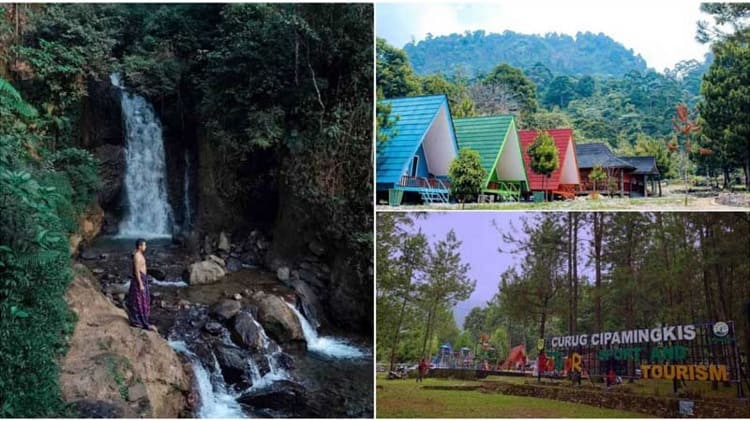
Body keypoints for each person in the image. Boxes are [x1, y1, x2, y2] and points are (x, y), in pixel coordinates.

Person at [127, 239, 156, 332]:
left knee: (143, 299)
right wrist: (140, 284)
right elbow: (136, 271)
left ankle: (141, 320)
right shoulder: (137, 256)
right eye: (144, 245)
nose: (145, 247)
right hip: (139, 280)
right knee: (138, 300)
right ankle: (138, 321)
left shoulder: (139, 254)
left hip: (143, 279)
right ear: (139, 246)